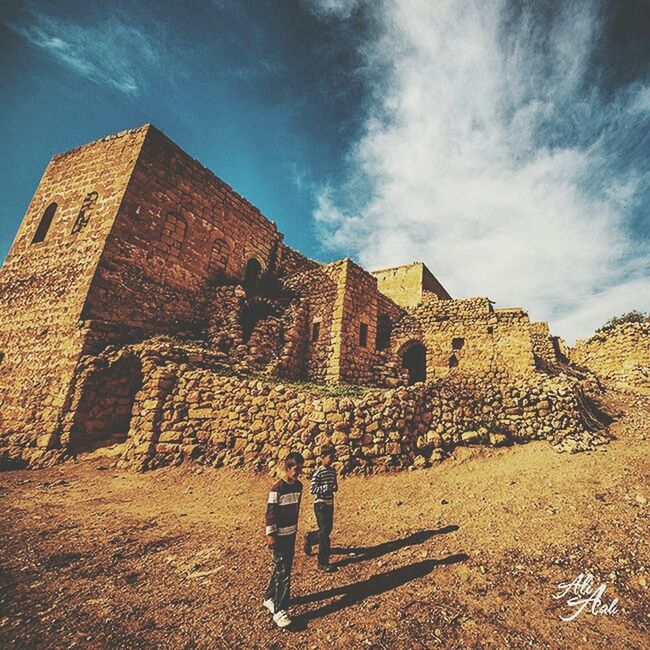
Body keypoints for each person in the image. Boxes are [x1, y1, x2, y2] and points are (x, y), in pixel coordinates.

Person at [263, 451, 304, 629]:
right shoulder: (276, 489)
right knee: (284, 572)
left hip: (291, 533)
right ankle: (280, 610)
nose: (298, 473)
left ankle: (269, 597)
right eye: (295, 469)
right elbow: (270, 513)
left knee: (282, 567)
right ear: (287, 469)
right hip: (279, 536)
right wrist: (271, 535)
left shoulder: (299, 486)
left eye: (300, 470)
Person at [304, 443, 338, 572]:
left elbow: (334, 484)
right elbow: (312, 489)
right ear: (322, 457)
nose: (332, 459)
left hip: (329, 503)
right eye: (330, 457)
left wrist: (334, 487)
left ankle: (311, 538)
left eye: (334, 457)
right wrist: (325, 488)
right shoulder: (318, 472)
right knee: (324, 533)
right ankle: (322, 561)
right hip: (320, 504)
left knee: (327, 529)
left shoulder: (332, 471)